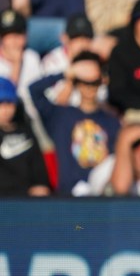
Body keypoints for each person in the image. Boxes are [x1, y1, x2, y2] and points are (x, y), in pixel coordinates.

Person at [29, 50, 121, 196]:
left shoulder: (112, 121)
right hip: (68, 197)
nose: (89, 87)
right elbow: (34, 90)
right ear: (75, 83)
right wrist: (67, 73)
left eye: (94, 82)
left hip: (101, 196)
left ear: (101, 82)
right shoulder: (60, 116)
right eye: (84, 82)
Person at [0, 76, 50, 196]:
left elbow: (39, 169)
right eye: (1, 103)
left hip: (26, 201)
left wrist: (41, 185)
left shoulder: (26, 131)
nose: (5, 109)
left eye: (9, 103)